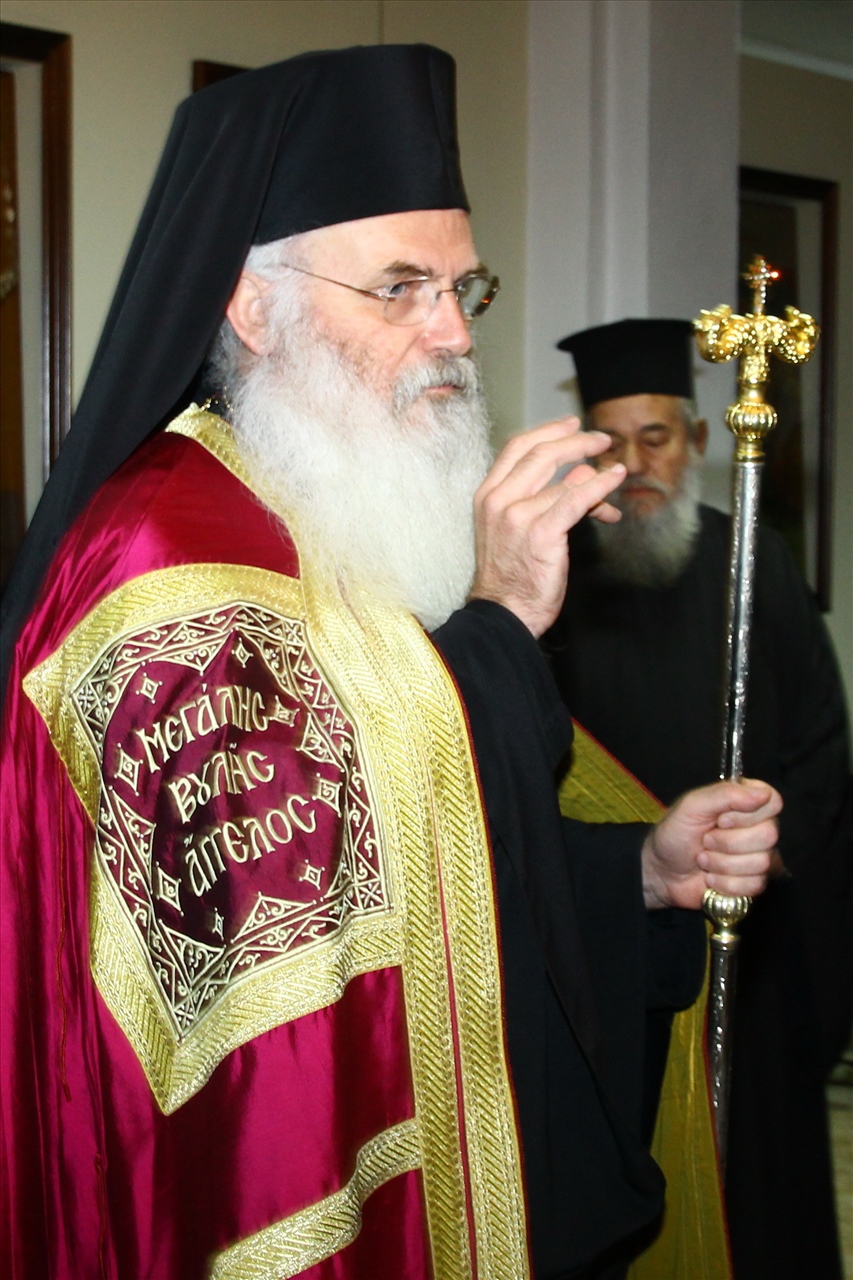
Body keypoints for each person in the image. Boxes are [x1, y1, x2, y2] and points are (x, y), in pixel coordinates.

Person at [0, 50, 780, 1280]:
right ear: (251, 307)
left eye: (463, 286)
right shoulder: (166, 559)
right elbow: (295, 954)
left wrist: (631, 871)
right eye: (401, 287)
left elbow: (427, 858)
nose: (454, 336)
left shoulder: (320, 499)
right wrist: (501, 620)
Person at [546, 317, 852, 1280]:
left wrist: (762, 851)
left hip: (745, 936)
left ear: (698, 439)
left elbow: (819, 743)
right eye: (612, 442)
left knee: (755, 1190)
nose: (635, 465)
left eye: (656, 438)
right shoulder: (552, 576)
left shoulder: (754, 562)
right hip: (613, 941)